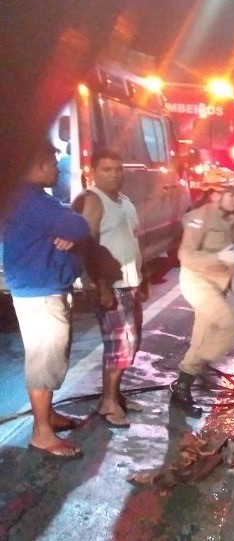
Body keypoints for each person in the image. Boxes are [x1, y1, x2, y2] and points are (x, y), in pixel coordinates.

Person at [2, 141, 92, 459]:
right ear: (37, 166)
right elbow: (79, 225)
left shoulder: (35, 199)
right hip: (40, 293)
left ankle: (48, 417)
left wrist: (71, 231)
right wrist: (71, 229)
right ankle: (42, 433)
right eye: (53, 163)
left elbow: (74, 228)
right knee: (44, 362)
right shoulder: (31, 201)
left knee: (52, 359)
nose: (58, 168)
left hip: (42, 288)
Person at [170, 168, 234, 417]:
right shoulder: (199, 217)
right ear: (215, 194)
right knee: (228, 325)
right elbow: (186, 255)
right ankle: (195, 367)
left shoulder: (232, 221)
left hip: (218, 286)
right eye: (231, 194)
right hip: (198, 282)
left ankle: (182, 388)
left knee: (201, 338)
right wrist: (219, 256)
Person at [74, 149, 145, 428]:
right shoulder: (93, 200)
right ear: (93, 171)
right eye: (107, 169)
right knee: (119, 345)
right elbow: (88, 246)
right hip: (111, 286)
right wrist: (101, 286)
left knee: (131, 343)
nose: (115, 174)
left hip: (130, 283)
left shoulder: (124, 201)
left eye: (119, 168)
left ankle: (116, 395)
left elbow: (132, 239)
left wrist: (144, 278)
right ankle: (108, 403)